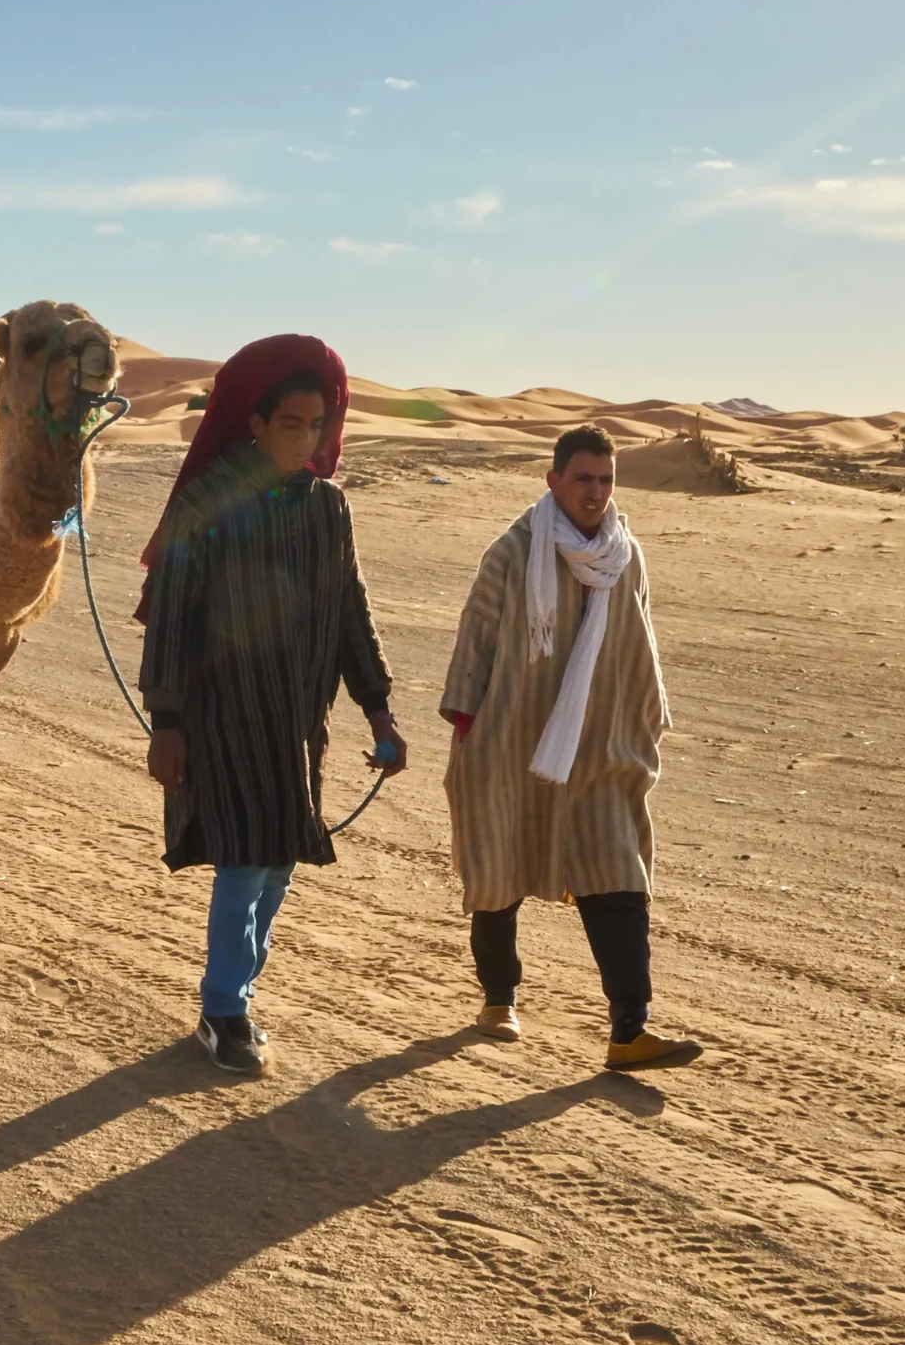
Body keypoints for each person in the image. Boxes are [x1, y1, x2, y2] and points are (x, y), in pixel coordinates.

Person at [137, 335, 406, 1075]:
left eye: (316, 424)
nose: (306, 437)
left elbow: (351, 610)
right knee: (246, 857)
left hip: (297, 719)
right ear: (255, 423)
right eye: (291, 423)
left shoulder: (329, 509)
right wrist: (168, 724)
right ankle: (224, 1008)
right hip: (224, 713)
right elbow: (174, 616)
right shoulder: (210, 499)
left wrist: (379, 709)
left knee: (279, 857)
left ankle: (237, 993)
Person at [439, 425, 699, 1070]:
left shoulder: (625, 553)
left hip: (600, 746)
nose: (596, 492)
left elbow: (640, 642)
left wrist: (644, 721)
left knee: (618, 874)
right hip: (513, 736)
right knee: (499, 866)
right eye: (583, 478)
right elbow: (477, 637)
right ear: (554, 481)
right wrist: (469, 730)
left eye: (606, 479)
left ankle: (629, 1030)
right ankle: (499, 998)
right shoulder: (514, 550)